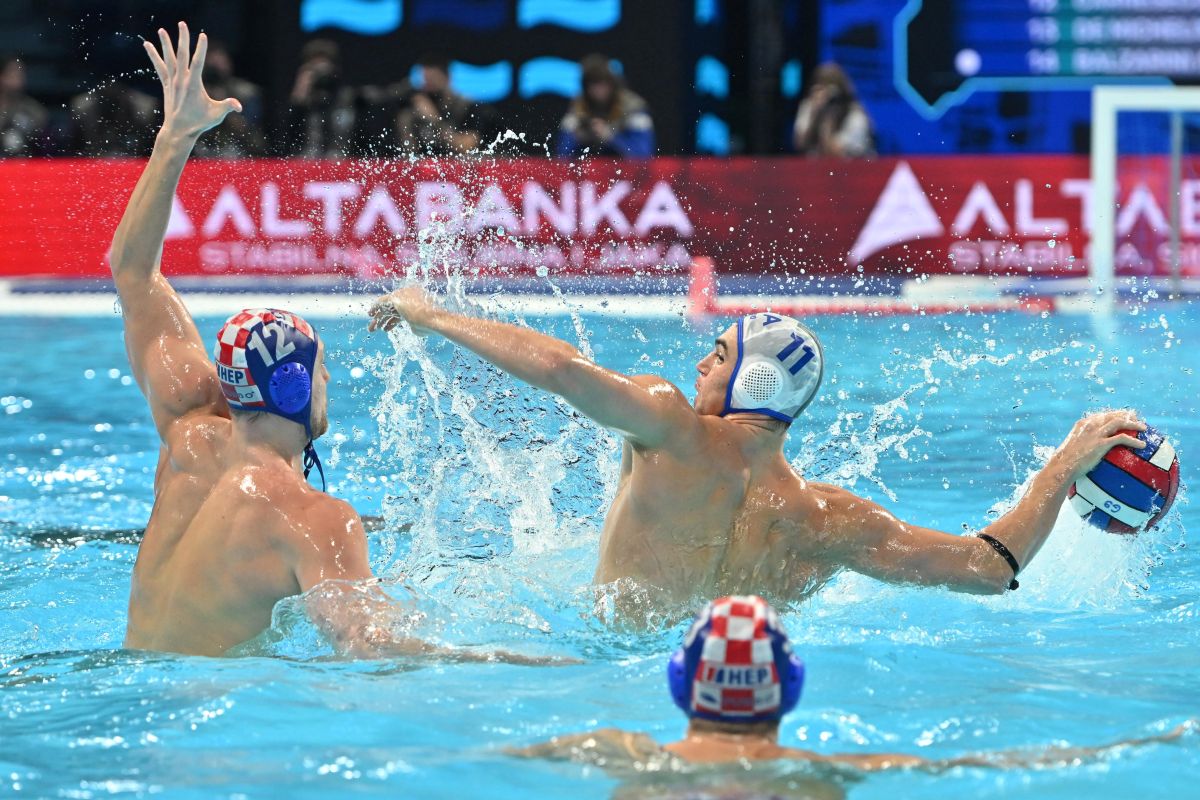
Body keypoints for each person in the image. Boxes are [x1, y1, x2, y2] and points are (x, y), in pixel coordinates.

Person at [111, 23, 558, 666]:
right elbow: (369, 647)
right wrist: (525, 665)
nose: (330, 380)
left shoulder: (188, 432)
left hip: (138, 681)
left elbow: (134, 275)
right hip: (213, 733)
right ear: (295, 385)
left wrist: (174, 139)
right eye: (322, 370)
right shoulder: (315, 520)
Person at [368, 291, 1148, 614]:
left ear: (754, 376)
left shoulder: (670, 427)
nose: (701, 364)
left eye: (717, 353)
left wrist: (429, 312)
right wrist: (1062, 466)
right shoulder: (825, 516)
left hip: (594, 657)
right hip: (723, 684)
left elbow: (560, 370)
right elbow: (991, 568)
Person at [512, 595, 1194, 794]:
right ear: (794, 687)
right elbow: (1008, 767)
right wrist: (1159, 738)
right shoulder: (825, 773)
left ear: (678, 682)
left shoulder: (616, 752)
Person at [556, 54, 654, 159]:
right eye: (592, 84)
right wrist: (578, 137)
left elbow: (643, 156)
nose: (598, 90)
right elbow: (561, 158)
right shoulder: (578, 109)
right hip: (588, 173)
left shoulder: (633, 108)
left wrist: (611, 137)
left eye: (603, 84)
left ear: (613, 85)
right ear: (586, 87)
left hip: (627, 174)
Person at [394, 54, 482, 156]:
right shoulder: (413, 106)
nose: (427, 86)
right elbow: (407, 154)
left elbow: (466, 148)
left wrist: (434, 119)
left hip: (456, 167)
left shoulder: (466, 106)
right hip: (422, 167)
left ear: (447, 78)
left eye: (433, 80)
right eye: (425, 81)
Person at [190, 40, 264, 158]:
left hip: (237, 152)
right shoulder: (192, 94)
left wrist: (224, 106)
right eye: (211, 65)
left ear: (228, 64)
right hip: (199, 152)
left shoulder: (246, 92)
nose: (215, 71)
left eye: (218, 64)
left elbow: (250, 133)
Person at [284, 39, 356, 157]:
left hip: (336, 148)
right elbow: (289, 125)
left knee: (343, 115)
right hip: (307, 150)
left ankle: (335, 150)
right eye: (315, 63)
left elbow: (344, 101)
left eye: (323, 63)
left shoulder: (338, 83)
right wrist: (302, 88)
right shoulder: (305, 82)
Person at [792, 62, 874, 158]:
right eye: (820, 89)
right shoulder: (810, 106)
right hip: (816, 167)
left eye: (829, 91)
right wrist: (815, 113)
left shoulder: (855, 113)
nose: (824, 97)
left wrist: (828, 120)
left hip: (850, 168)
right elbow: (799, 143)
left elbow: (837, 152)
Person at [0, 55, 48, 157]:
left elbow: (44, 150)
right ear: (2, 76)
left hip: (24, 167)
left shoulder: (34, 111)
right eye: (13, 74)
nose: (19, 79)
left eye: (21, 74)